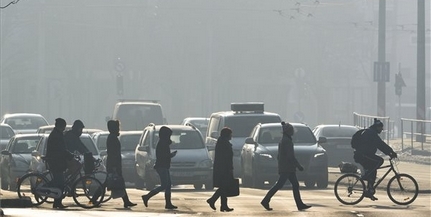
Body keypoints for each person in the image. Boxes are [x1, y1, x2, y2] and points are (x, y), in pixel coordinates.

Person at [261, 122, 311, 211]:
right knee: (280, 184)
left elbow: (280, 155)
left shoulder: (284, 139)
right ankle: (265, 200)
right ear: (288, 131)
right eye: (291, 130)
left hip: (287, 167)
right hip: (287, 167)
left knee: (294, 184)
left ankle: (299, 204)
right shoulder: (287, 141)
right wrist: (298, 165)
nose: (293, 132)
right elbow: (290, 156)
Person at [353, 118, 397, 201]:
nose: (382, 129)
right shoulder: (371, 134)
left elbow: (380, 145)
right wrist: (391, 152)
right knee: (379, 161)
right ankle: (367, 177)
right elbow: (381, 145)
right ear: (377, 127)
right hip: (362, 155)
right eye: (381, 128)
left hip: (364, 155)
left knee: (374, 169)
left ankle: (369, 190)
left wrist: (390, 152)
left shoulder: (371, 132)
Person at [141, 126, 178, 209]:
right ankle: (147, 196)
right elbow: (163, 156)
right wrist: (171, 155)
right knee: (164, 185)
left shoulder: (163, 142)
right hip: (162, 166)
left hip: (164, 166)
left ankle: (168, 203)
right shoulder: (162, 143)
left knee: (168, 185)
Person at [106, 120, 137, 208]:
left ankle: (126, 201)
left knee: (115, 182)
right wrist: (115, 166)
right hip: (114, 164)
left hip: (113, 163)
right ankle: (126, 201)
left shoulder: (112, 137)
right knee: (118, 182)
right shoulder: (112, 138)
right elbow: (113, 153)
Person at [45, 118, 73, 209]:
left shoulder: (56, 134)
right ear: (61, 126)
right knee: (60, 183)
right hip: (56, 162)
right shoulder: (57, 135)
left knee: (59, 181)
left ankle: (57, 202)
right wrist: (69, 155)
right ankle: (57, 202)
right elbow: (61, 149)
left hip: (57, 162)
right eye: (64, 126)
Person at [206, 127, 234, 212]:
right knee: (224, 187)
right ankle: (215, 201)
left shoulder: (222, 142)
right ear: (227, 135)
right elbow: (226, 158)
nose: (231, 136)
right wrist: (229, 168)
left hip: (222, 168)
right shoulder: (224, 144)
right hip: (224, 169)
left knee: (223, 187)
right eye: (230, 135)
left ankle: (221, 204)